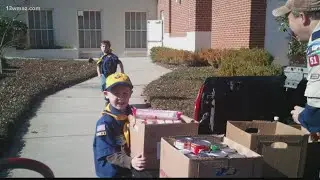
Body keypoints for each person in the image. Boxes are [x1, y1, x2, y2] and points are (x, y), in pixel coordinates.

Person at [272, 0, 320, 134]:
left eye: (288, 19)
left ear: (303, 17)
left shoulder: (318, 45)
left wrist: (302, 116)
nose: (289, 27)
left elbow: (317, 113)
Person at [93, 72, 145, 178]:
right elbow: (108, 154)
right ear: (106, 94)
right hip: (112, 172)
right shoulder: (105, 123)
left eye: (125, 93)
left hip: (128, 168)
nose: (121, 97)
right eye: (116, 93)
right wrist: (130, 162)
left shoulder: (132, 113)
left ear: (130, 93)